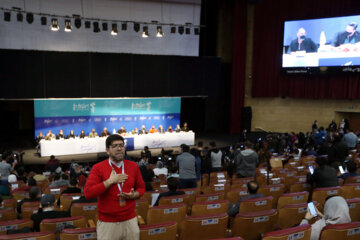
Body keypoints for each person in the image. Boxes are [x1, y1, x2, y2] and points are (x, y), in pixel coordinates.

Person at [84, 134, 145, 240]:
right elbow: (88, 193)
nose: (119, 148)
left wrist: (134, 195)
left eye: (121, 145)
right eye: (115, 146)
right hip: (108, 224)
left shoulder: (133, 166)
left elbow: (141, 188)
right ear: (108, 150)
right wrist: (109, 181)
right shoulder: (98, 168)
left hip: (130, 221)